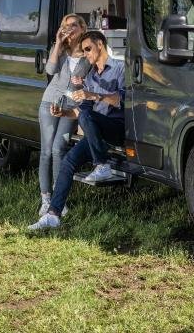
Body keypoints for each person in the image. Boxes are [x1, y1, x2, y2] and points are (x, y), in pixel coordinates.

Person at [28, 30, 125, 231]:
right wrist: (62, 113)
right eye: (83, 51)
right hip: (96, 133)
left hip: (116, 128)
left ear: (100, 44)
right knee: (68, 161)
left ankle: (102, 165)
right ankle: (53, 214)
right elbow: (81, 112)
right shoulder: (90, 77)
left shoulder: (120, 68)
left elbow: (121, 101)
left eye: (88, 49)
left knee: (88, 116)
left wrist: (94, 95)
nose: (86, 54)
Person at [36, 13, 87, 217]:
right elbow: (49, 69)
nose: (70, 29)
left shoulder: (88, 51)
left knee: (59, 149)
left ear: (83, 28)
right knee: (46, 151)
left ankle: (58, 200)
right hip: (50, 102)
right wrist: (58, 43)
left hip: (71, 106)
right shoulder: (61, 51)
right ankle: (45, 199)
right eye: (66, 25)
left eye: (74, 25)